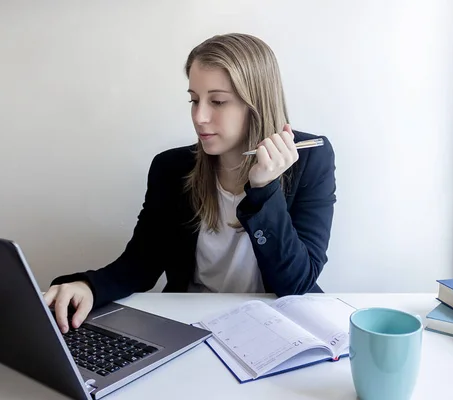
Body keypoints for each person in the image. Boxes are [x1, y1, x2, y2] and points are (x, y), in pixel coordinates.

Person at [44, 33, 337, 333]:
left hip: (275, 329)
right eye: (194, 100)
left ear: (256, 104)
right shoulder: (171, 168)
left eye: (218, 101)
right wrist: (88, 287)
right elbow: (140, 265)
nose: (200, 116)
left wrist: (264, 190)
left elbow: (297, 284)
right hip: (191, 325)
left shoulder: (310, 159)